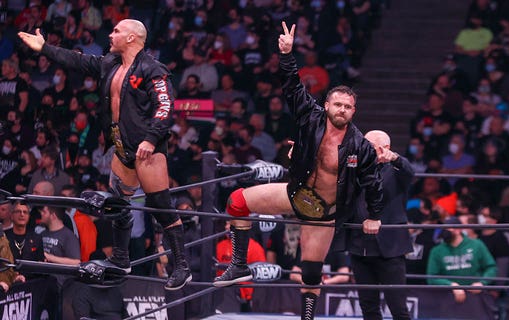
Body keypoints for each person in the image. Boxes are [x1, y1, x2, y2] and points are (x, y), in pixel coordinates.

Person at [213, 22, 384, 320]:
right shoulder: (311, 118)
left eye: (348, 106)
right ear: (327, 104)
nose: (342, 109)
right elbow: (292, 85)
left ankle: (307, 318)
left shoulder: (361, 146)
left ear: (354, 111)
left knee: (311, 273)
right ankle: (239, 263)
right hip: (296, 193)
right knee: (237, 201)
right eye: (338, 104)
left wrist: (374, 215)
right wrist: (287, 54)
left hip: (325, 212)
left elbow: (372, 183)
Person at [18, 19, 192, 290]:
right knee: (118, 204)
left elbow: (165, 105)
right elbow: (76, 61)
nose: (110, 35)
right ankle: (121, 259)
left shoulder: (152, 69)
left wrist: (151, 138)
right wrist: (44, 48)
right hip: (122, 148)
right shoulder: (110, 64)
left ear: (132, 38)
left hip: (148, 150)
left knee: (161, 207)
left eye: (117, 31)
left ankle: (182, 266)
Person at [346, 130, 413, 320]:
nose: (364, 149)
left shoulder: (396, 170)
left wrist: (395, 158)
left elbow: (410, 171)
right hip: (361, 247)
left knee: (398, 307)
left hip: (390, 248)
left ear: (386, 148)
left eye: (370, 145)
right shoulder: (355, 167)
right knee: (368, 308)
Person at [427, 216, 497, 304]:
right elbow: (431, 277)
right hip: (447, 298)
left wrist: (482, 283)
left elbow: (491, 267)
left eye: (449, 228)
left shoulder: (477, 245)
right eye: (444, 228)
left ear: (458, 229)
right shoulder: (436, 251)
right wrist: (451, 285)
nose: (445, 231)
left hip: (475, 297)